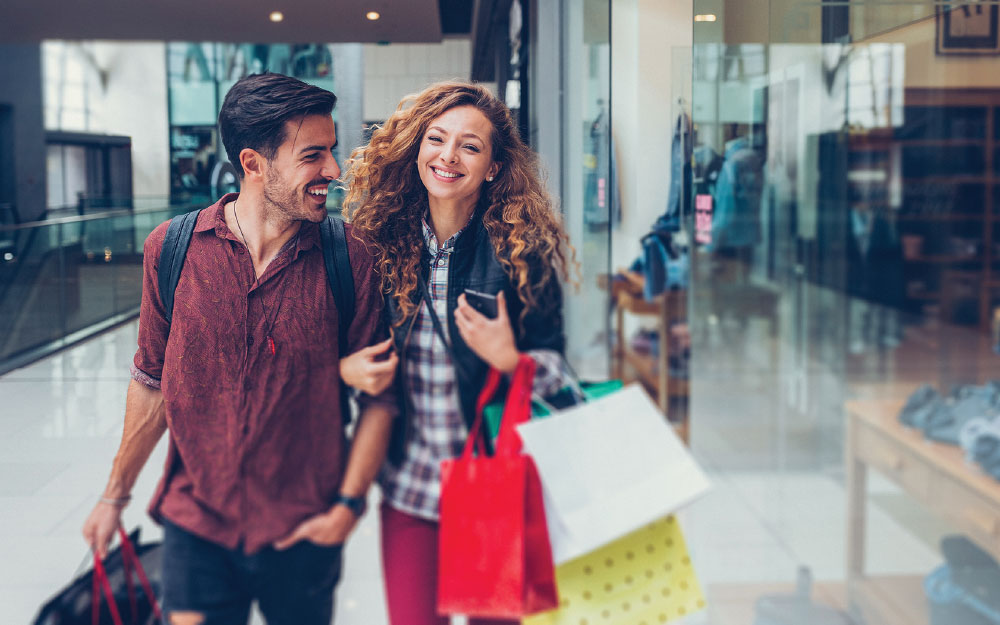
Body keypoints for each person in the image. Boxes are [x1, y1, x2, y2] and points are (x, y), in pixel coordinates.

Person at [81, 73, 398, 625]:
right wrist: (114, 496)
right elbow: (152, 383)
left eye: (331, 152)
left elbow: (380, 399)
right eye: (313, 155)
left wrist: (347, 508)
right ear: (253, 164)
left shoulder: (351, 258)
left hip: (303, 523)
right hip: (196, 521)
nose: (333, 171)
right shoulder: (173, 249)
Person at [340, 81, 576, 625]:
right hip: (410, 489)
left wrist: (512, 360)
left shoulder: (522, 251)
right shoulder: (376, 244)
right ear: (416, 149)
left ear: (493, 166)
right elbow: (340, 344)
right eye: (436, 139)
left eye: (470, 146)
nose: (448, 156)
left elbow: (560, 373)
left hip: (494, 487)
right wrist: (346, 370)